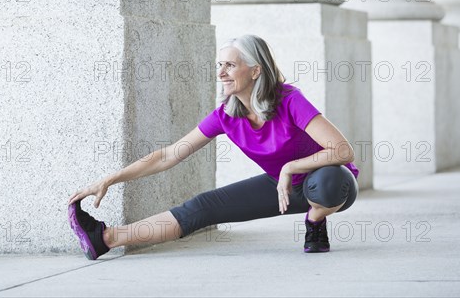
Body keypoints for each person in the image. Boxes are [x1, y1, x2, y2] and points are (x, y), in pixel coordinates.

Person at [68, 34, 359, 260]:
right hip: (281, 188)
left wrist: (291, 168)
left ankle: (316, 220)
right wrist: (110, 179)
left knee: (328, 181)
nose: (221, 73)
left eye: (230, 65)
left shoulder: (289, 100)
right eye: (219, 65)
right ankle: (105, 238)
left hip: (329, 185)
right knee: (202, 207)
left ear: (256, 70)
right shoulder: (226, 116)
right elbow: (169, 155)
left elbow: (343, 151)